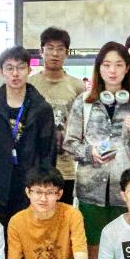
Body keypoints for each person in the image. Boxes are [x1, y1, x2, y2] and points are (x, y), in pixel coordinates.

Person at [63, 42, 130, 259]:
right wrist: (89, 151)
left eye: (118, 65)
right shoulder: (84, 102)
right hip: (90, 190)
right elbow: (69, 144)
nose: (112, 71)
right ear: (99, 68)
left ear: (127, 68)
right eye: (107, 65)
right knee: (91, 251)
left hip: (123, 191)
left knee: (123, 250)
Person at [0, 47, 56, 230]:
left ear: (29, 70)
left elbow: (48, 154)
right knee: (0, 237)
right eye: (9, 68)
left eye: (20, 67)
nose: (15, 73)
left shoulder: (41, 108)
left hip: (31, 187)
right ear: (1, 72)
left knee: (31, 236)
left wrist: (43, 190)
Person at [29, 27, 84, 205]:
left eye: (60, 49)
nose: (55, 53)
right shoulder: (30, 84)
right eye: (50, 48)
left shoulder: (77, 86)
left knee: (63, 215)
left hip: (66, 167)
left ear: (66, 53)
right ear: (41, 51)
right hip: (35, 164)